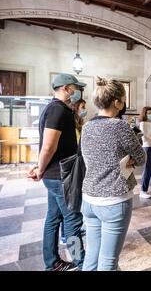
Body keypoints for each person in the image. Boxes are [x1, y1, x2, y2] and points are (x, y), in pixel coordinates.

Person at [81, 77, 145, 271]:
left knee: (91, 257)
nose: (124, 103)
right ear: (117, 102)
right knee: (108, 261)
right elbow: (141, 157)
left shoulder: (86, 126)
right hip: (114, 199)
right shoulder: (120, 125)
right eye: (123, 99)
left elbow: (90, 158)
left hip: (90, 198)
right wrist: (129, 158)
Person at [27, 73, 86, 271]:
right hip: (61, 175)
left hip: (57, 174)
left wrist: (41, 169)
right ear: (65, 88)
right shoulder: (57, 110)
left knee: (53, 218)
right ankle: (80, 263)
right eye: (75, 87)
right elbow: (48, 147)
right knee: (72, 220)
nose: (77, 91)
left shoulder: (59, 109)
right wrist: (40, 170)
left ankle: (52, 263)